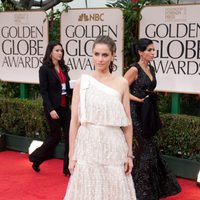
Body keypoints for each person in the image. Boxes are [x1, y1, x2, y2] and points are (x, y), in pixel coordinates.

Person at [64, 35, 136, 200]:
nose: (100, 59)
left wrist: (129, 154)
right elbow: (74, 121)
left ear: (112, 56)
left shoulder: (121, 83)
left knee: (114, 191)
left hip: (114, 145)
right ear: (92, 54)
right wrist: (71, 156)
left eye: (105, 55)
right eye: (96, 54)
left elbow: (127, 123)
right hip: (88, 144)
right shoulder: (83, 83)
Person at [124, 38, 181, 200]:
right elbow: (121, 90)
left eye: (153, 50)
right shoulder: (134, 70)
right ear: (140, 52)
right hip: (136, 113)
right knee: (146, 148)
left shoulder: (151, 69)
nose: (152, 53)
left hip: (148, 113)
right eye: (149, 50)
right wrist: (138, 100)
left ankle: (145, 188)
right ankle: (140, 190)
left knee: (148, 148)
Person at [29, 41, 71, 176]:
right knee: (55, 137)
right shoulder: (44, 69)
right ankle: (36, 158)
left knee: (70, 137)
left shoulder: (64, 68)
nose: (60, 53)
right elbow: (44, 91)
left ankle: (67, 168)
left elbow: (67, 86)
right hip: (53, 108)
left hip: (65, 107)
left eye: (61, 51)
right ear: (51, 52)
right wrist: (51, 109)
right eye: (57, 50)